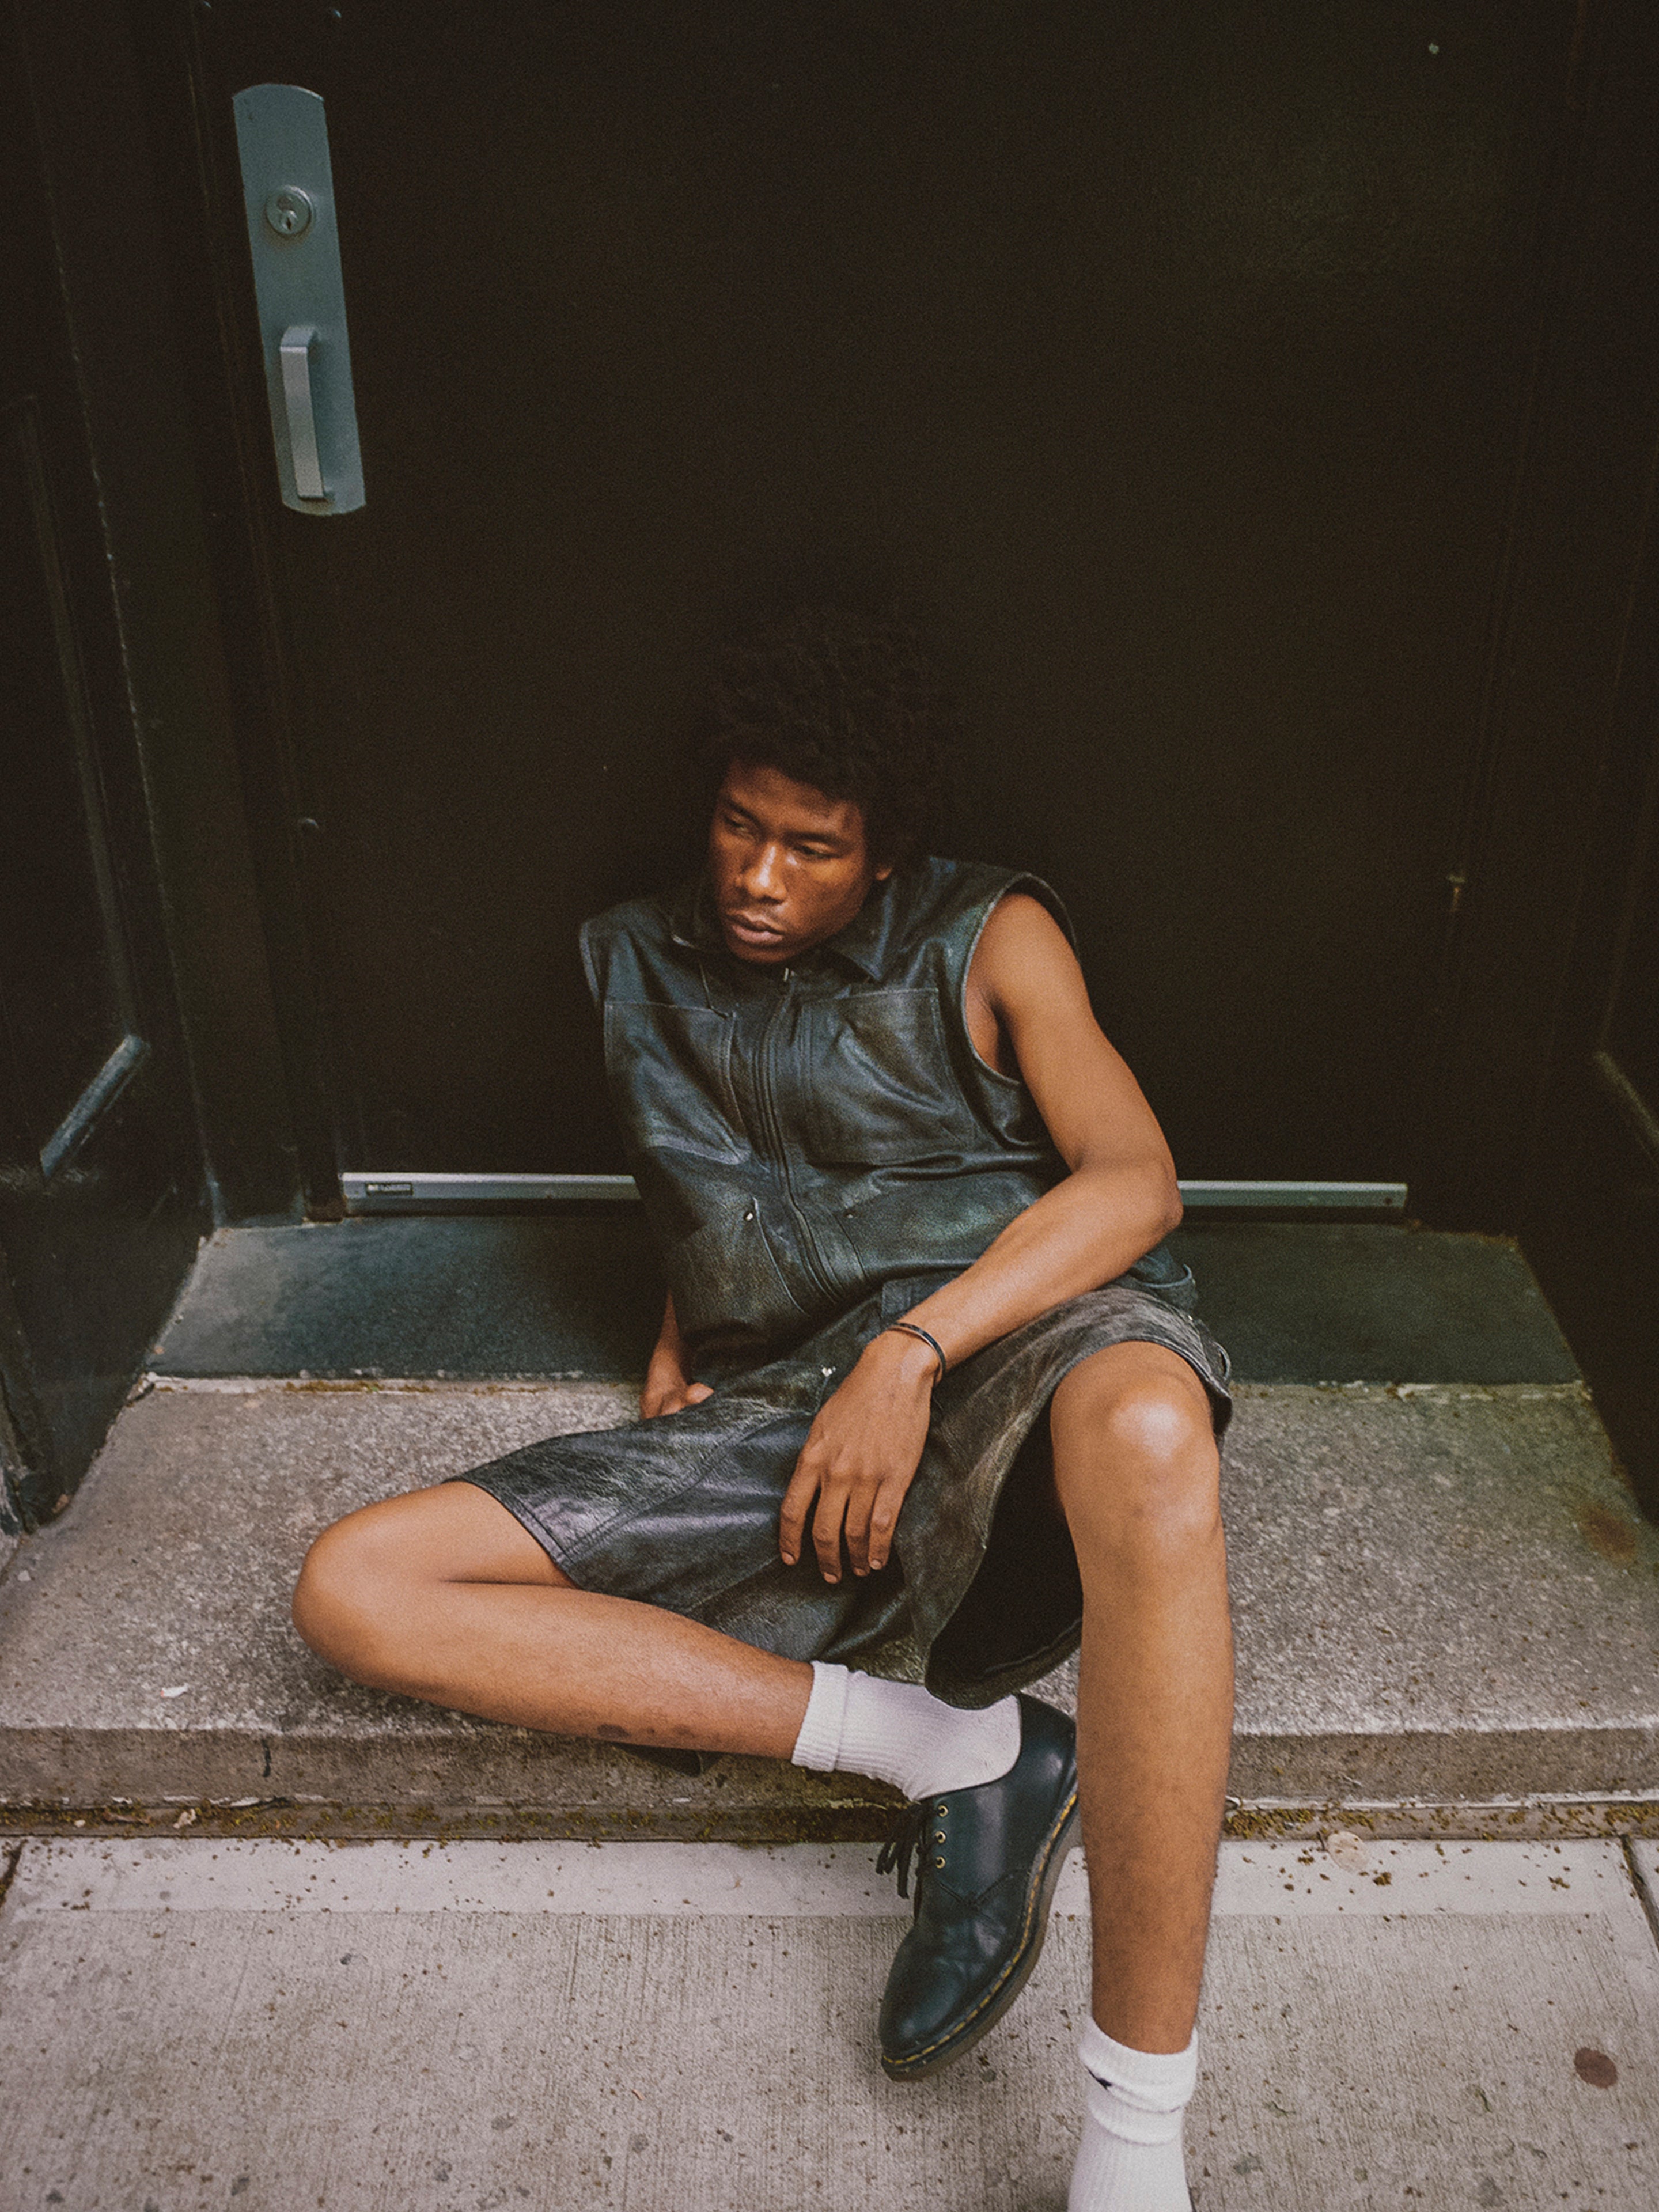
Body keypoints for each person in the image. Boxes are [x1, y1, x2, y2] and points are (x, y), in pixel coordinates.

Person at [293, 608, 1234, 2211]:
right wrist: (689, 1316)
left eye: (815, 847)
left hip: (1019, 1337)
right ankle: (955, 1752)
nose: (762, 878)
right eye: (743, 825)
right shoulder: (633, 962)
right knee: (357, 1587)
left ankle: (1136, 2143)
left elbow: (1136, 1181)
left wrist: (915, 1351)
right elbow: (725, 1164)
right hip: (793, 1415)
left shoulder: (991, 933)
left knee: (1152, 1426)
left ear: (887, 856)